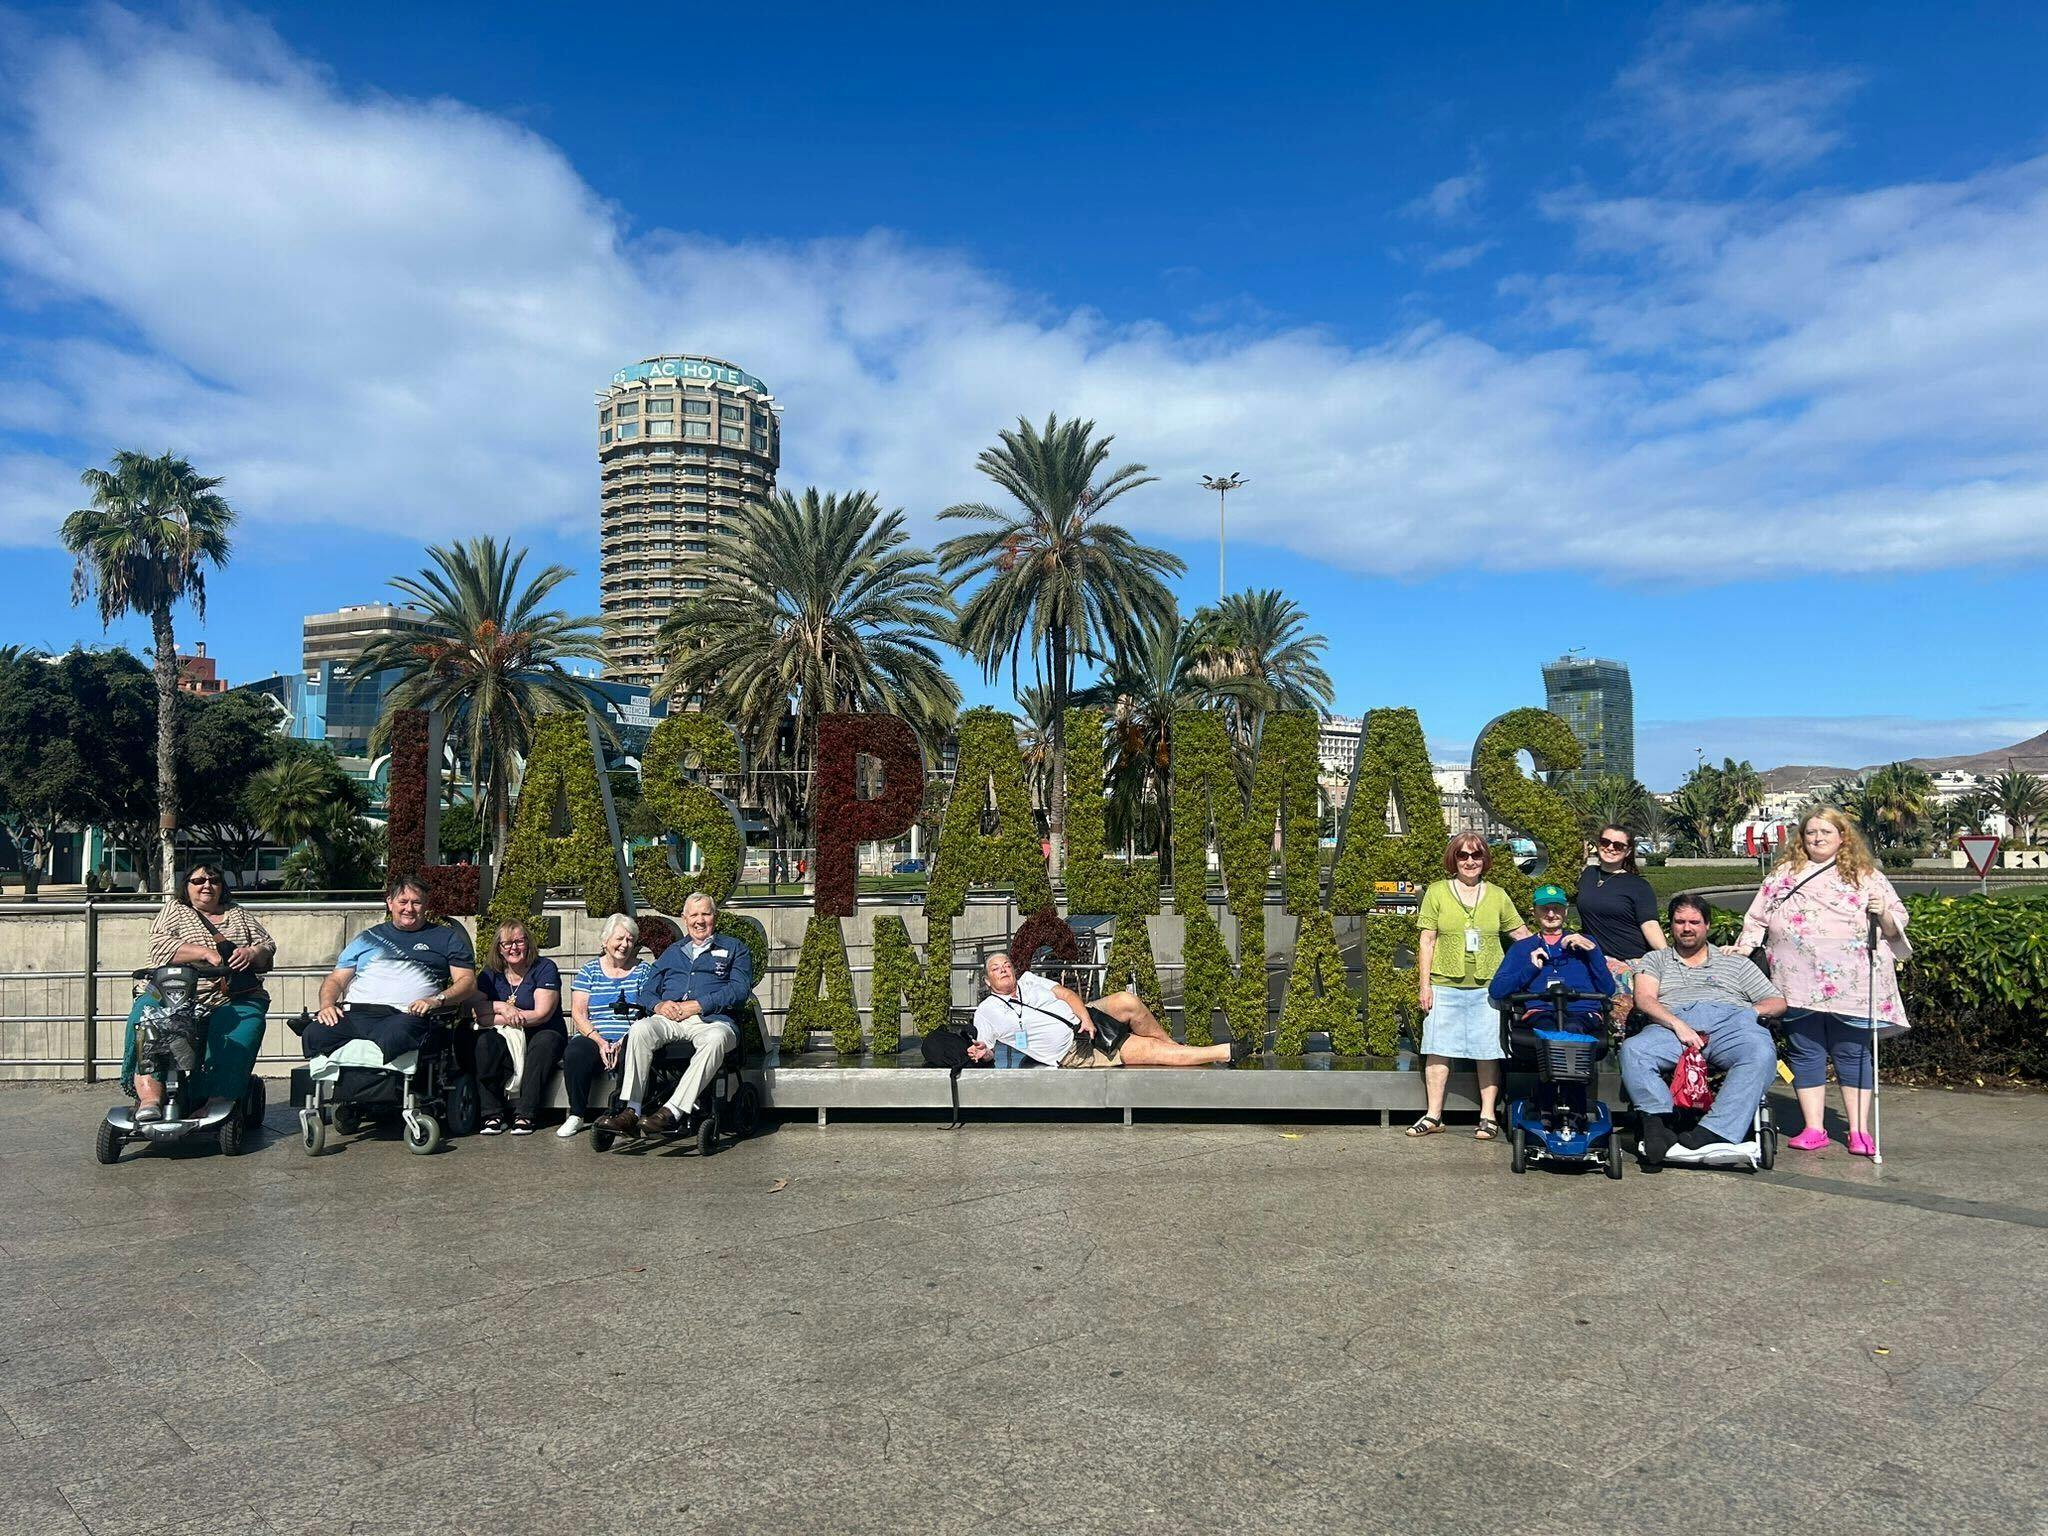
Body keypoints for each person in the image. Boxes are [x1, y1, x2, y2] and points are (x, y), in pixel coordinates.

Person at [1735, 808, 1910, 1157]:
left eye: (1825, 832)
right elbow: (1757, 916)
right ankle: (1813, 1127)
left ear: (1842, 837)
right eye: (1810, 832)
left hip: (1854, 982)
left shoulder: (1867, 876)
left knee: (1853, 1052)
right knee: (1805, 1050)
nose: (1817, 838)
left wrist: (1884, 913)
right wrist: (1742, 949)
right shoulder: (1783, 874)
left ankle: (1859, 1130)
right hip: (1796, 980)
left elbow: (1896, 924)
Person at [1622, 893, 1786, 1163]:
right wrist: (1678, 1025)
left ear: (1707, 925)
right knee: (1634, 1050)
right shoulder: (1656, 960)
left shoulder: (1735, 963)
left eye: (1694, 922)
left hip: (1730, 1024)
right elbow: (1644, 999)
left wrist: (1750, 1013)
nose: (1687, 928)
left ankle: (1716, 1130)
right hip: (1673, 1025)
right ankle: (1659, 1123)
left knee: (1760, 1053)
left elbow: (1777, 1002)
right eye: (1680, 921)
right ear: (1671, 926)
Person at [123, 862, 276, 1121]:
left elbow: (267, 947)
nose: (207, 885)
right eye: (199, 880)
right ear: (187, 886)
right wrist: (205, 953)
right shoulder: (176, 910)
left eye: (214, 880)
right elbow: (159, 946)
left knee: (244, 1026)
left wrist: (251, 952)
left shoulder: (237, 913)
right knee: (145, 1017)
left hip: (231, 995)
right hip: (172, 991)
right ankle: (150, 1097)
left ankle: (216, 1098)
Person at [597, 894, 753, 1138]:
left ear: (715, 916)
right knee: (640, 1029)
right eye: (694, 915)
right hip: (670, 1019)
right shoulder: (673, 952)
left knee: (715, 1040)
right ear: (684, 919)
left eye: (705, 914)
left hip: (714, 1021)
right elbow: (648, 990)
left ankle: (673, 1110)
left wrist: (700, 1005)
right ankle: (632, 1109)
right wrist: (659, 1005)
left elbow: (740, 990)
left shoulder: (735, 948)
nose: (699, 921)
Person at [1408, 833, 1530, 1141]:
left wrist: (1554, 949)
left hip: (1487, 988)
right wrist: (1425, 985)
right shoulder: (1436, 892)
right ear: (1454, 859)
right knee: (1437, 1050)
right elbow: (1427, 940)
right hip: (1444, 984)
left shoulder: (1499, 895)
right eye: (1463, 855)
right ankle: (1434, 1115)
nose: (1470, 861)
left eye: (1476, 855)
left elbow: (1522, 935)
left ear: (1485, 859)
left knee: (1487, 1051)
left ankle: (1487, 1116)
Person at [968, 951, 1250, 1068]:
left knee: (1127, 1001)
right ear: (987, 979)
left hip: (1086, 1018)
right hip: (1075, 1049)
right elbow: (988, 1048)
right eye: (996, 969)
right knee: (1150, 1051)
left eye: (1006, 966)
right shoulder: (987, 1011)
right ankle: (1225, 1052)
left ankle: (1174, 1046)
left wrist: (1087, 1018)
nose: (1004, 970)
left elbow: (1066, 994)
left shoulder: (1028, 980)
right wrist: (983, 1051)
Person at [302, 875, 477, 1062]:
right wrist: (327, 1005)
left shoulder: (446, 938)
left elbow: (467, 982)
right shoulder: (367, 937)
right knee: (315, 1033)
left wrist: (437, 1000)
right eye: (403, 901)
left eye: (416, 902)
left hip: (403, 1016)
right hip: (355, 1014)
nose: (409, 909)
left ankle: (388, 1089)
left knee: (396, 1037)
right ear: (390, 903)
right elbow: (336, 980)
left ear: (426, 905)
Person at [561, 914, 653, 1138]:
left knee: (633, 1052)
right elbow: (579, 1013)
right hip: (596, 1035)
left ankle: (622, 1116)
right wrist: (600, 1041)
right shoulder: (589, 971)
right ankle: (576, 1114)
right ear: (605, 941)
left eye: (630, 940)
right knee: (575, 1051)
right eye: (619, 938)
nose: (625, 945)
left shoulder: (644, 971)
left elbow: (647, 1013)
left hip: (630, 1035)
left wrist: (621, 1042)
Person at [470, 918, 564, 1136]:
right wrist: (502, 1007)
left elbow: (541, 1014)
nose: (513, 947)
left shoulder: (544, 968)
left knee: (542, 1044)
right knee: (484, 1043)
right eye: (507, 943)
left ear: (528, 943)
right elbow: (474, 1010)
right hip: (504, 1033)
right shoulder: (489, 973)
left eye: (519, 942)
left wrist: (494, 1016)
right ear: (499, 949)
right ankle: (491, 1114)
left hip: (541, 1030)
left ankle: (526, 1113)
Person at [1573, 825, 1666, 1027]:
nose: (1610, 848)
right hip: (1596, 957)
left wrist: (1669, 957)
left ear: (1628, 851)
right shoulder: (1588, 875)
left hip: (1631, 959)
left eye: (1618, 845)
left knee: (1624, 1018)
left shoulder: (1637, 886)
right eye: (1605, 842)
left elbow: (1649, 924)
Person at [1488, 883, 1615, 1027]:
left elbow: (1608, 989)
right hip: (1541, 1012)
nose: (1551, 914)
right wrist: (1530, 969)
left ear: (1565, 911)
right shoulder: (1522, 947)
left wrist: (1593, 952)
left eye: (1556, 908)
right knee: (1547, 1031)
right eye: (1544, 909)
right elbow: (1497, 991)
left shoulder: (1585, 943)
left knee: (1572, 1030)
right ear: (1534, 912)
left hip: (1582, 1011)